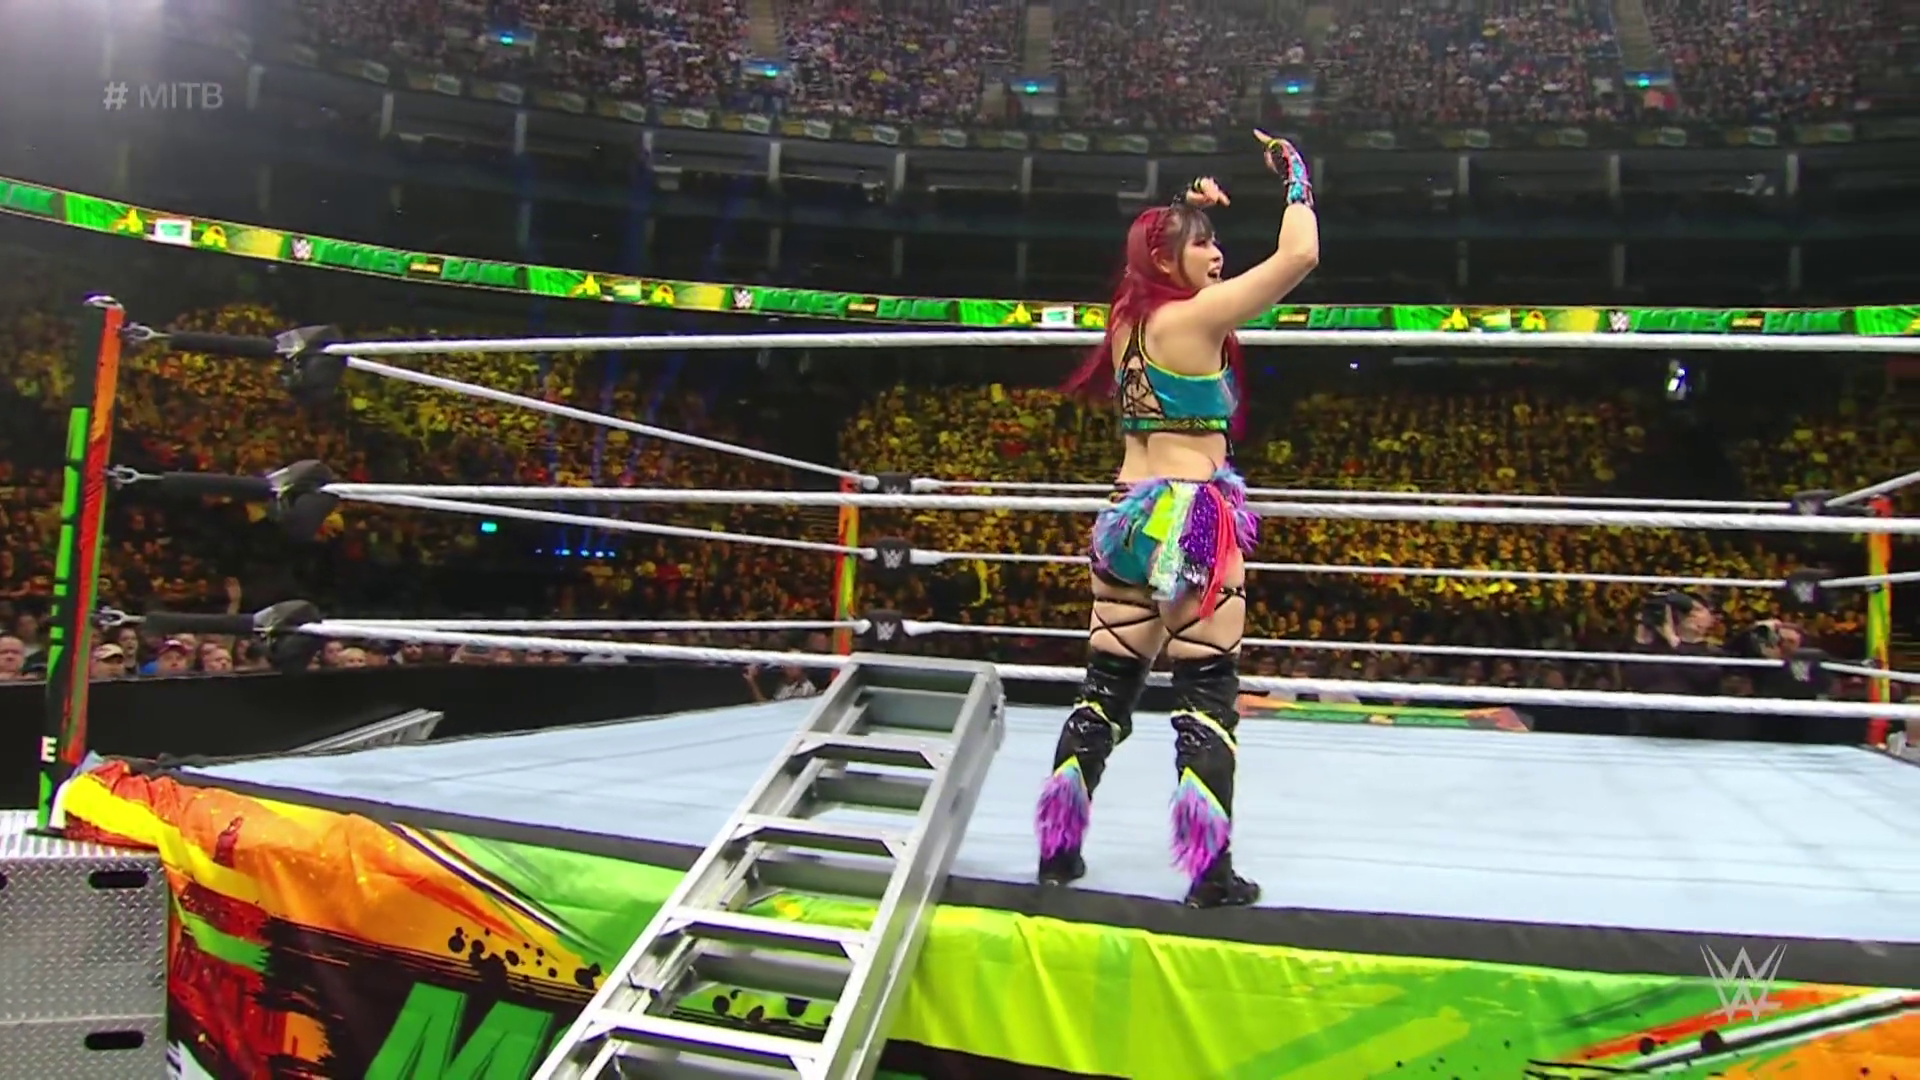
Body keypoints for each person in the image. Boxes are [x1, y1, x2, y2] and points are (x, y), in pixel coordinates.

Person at [1034, 130, 1320, 908]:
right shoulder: (1193, 319)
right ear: (1167, 259)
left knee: (1104, 690)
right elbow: (1300, 255)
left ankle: (1057, 851)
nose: (1218, 256)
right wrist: (1295, 175)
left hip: (1123, 518)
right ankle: (1209, 872)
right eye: (1203, 245)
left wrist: (1183, 210)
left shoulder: (1126, 319)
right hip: (1192, 518)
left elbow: (1153, 255)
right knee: (1207, 693)